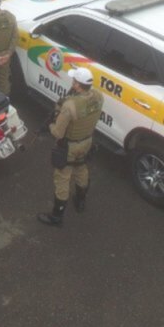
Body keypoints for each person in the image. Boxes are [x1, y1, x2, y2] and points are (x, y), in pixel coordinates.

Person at [38, 68, 104, 227]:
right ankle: (80, 201)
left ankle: (56, 216)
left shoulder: (69, 106)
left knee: (62, 178)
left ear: (78, 85)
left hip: (69, 147)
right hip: (87, 142)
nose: (72, 83)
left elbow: (58, 133)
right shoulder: (98, 97)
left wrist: (50, 125)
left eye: (74, 81)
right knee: (81, 169)